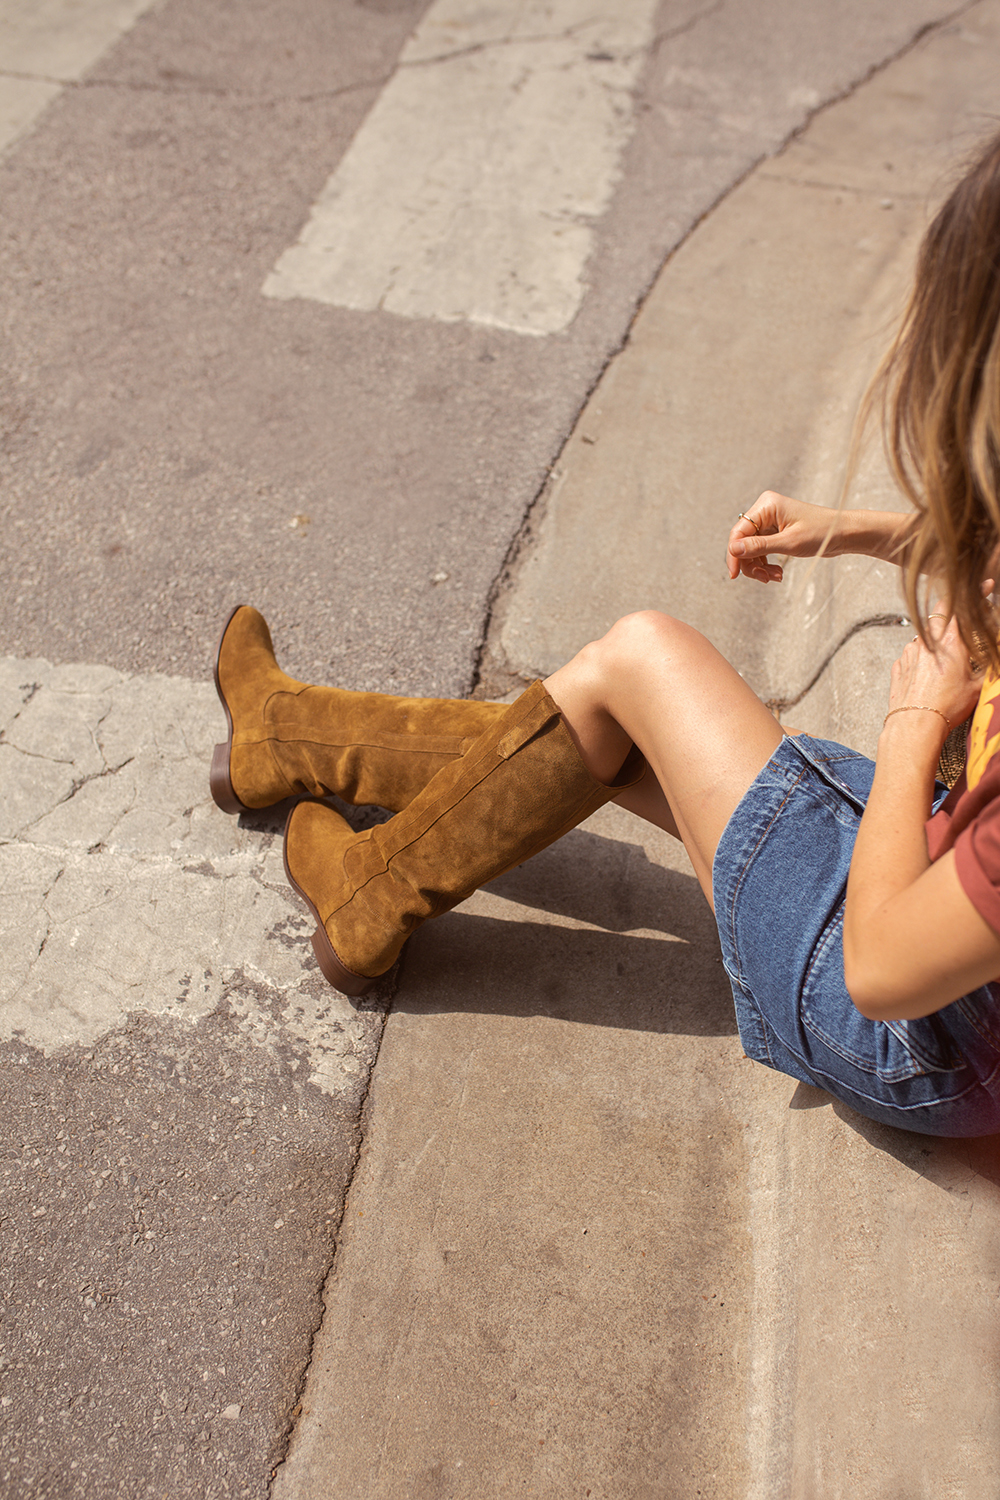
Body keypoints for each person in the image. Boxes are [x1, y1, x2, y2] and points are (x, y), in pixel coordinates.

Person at [210, 131, 1000, 1139]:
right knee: (612, 717)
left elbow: (881, 972)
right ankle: (287, 742)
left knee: (639, 660)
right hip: (936, 895)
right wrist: (852, 531)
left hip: (908, 1033)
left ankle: (361, 881)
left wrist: (911, 722)